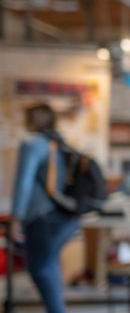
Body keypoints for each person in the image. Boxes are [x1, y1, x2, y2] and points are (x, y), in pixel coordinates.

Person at [12, 103, 80, 313]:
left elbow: (24, 183)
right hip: (66, 218)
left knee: (40, 269)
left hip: (43, 218)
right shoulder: (58, 143)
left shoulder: (32, 144)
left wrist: (16, 218)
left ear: (32, 120)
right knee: (49, 266)